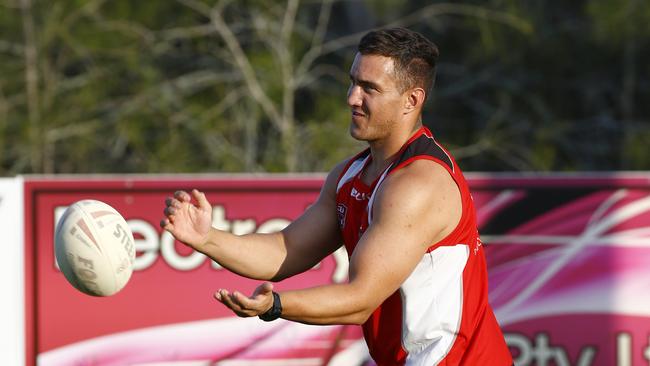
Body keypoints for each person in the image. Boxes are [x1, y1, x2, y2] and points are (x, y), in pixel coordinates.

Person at [161, 27, 512, 365]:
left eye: (368, 88)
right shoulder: (349, 175)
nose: (351, 98)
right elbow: (286, 251)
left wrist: (275, 306)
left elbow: (361, 299)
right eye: (352, 81)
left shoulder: (418, 184)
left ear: (412, 101)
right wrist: (206, 238)